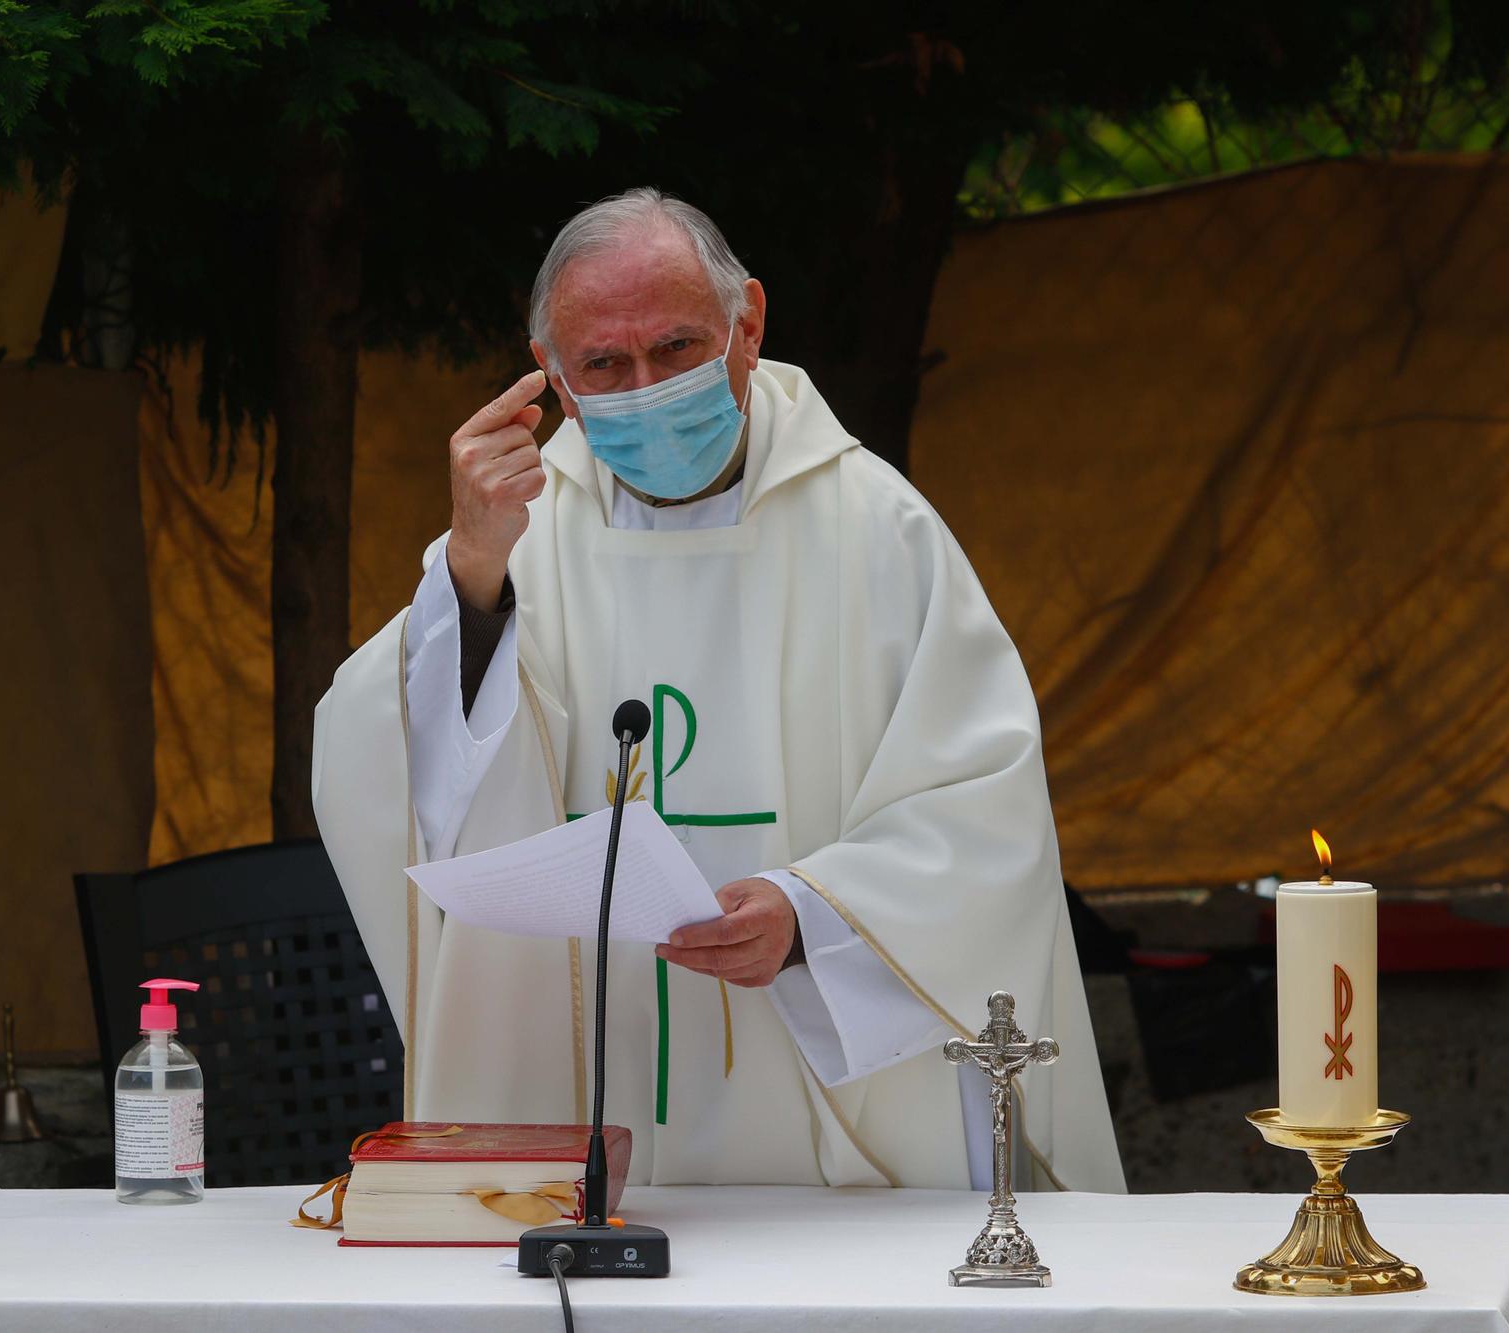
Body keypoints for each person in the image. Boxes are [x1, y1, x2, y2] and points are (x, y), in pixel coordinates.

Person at [313, 187, 1123, 1191]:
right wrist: (473, 575)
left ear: (749, 325)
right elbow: (376, 754)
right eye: (604, 364)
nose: (643, 386)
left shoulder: (874, 529)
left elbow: (981, 805)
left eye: (677, 348)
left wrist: (809, 913)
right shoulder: (515, 536)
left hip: (823, 1098)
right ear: (554, 383)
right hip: (584, 1083)